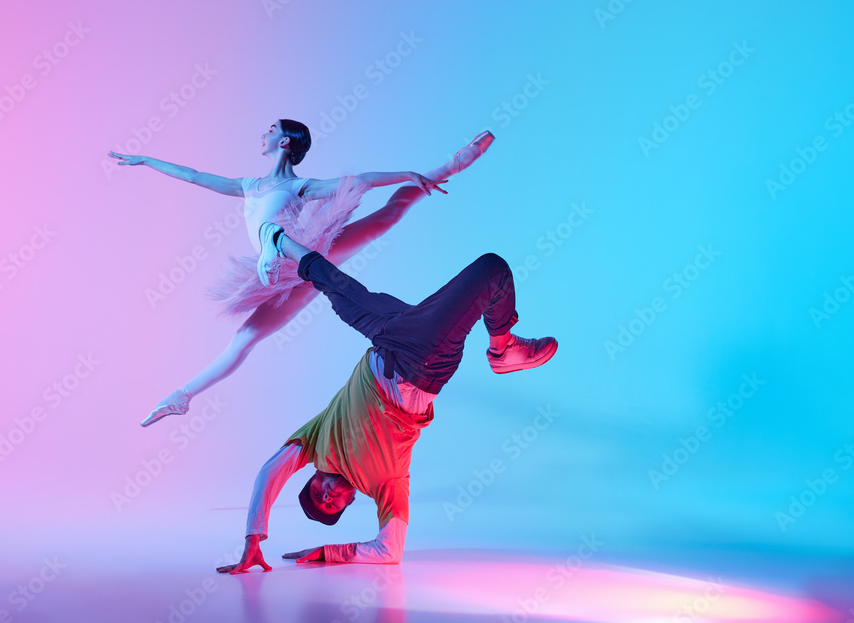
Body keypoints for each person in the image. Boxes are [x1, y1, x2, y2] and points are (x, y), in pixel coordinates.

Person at [108, 120, 494, 426]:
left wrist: (407, 173)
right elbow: (193, 175)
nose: (263, 134)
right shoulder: (248, 185)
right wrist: (146, 161)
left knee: (387, 217)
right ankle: (183, 397)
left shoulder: (299, 186)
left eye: (270, 130)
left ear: (286, 142)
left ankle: (449, 166)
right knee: (243, 340)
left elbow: (357, 182)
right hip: (289, 275)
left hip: (311, 247)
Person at [217, 228, 557, 573]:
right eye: (331, 507)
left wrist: (253, 537)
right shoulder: (385, 485)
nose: (326, 497)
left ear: (314, 473)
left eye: (316, 492)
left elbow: (270, 471)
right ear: (350, 501)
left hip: (384, 334)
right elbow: (390, 551)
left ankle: (276, 239)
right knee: (492, 271)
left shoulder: (316, 440)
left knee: (336, 287)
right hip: (420, 361)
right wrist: (328, 553)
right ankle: (503, 349)